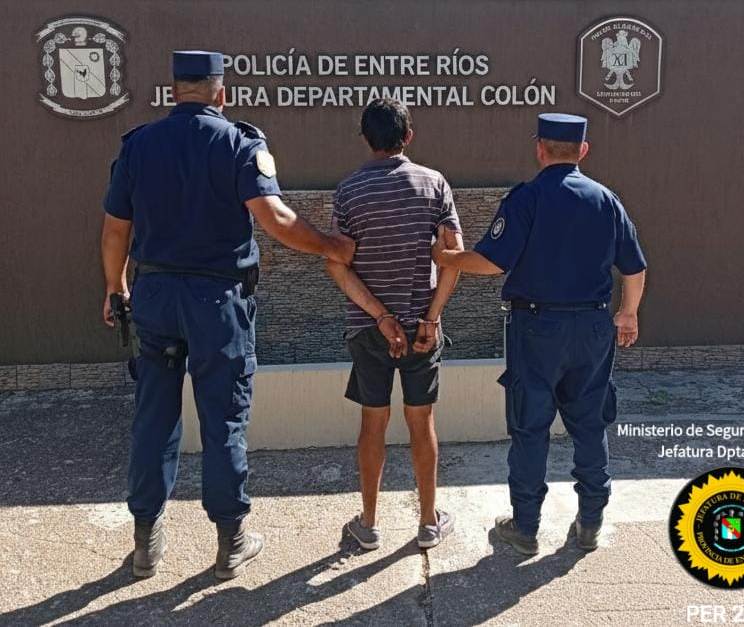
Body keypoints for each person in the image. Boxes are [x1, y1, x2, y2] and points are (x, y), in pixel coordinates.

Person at [100, 50, 354, 579]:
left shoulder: (138, 145)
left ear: (175, 91)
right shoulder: (240, 143)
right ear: (222, 92)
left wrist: (115, 287)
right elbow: (275, 218)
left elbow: (115, 229)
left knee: (153, 417)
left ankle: (146, 543)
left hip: (154, 297)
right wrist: (331, 246)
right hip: (217, 302)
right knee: (224, 419)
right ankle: (231, 542)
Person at [432, 113, 646, 555]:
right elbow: (634, 266)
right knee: (590, 424)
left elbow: (492, 262)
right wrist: (628, 313)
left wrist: (448, 258)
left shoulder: (526, 198)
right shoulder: (607, 200)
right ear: (582, 151)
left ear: (539, 149)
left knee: (530, 427)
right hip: (592, 328)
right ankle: (591, 522)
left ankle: (526, 528)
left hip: (537, 328)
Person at [325, 98, 464, 550]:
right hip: (422, 327)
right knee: (422, 422)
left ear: (366, 139)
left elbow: (337, 263)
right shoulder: (434, 184)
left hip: (369, 330)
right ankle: (428, 523)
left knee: (373, 422)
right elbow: (452, 258)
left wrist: (380, 316)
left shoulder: (348, 191)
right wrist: (431, 317)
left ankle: (368, 524)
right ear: (408, 136)